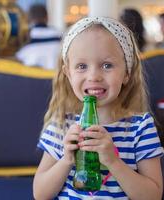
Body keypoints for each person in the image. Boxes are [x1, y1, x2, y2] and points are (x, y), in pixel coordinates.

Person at [33, 17, 163, 199]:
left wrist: (113, 161)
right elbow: (40, 194)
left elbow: (153, 196)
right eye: (81, 66)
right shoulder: (62, 125)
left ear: (127, 72)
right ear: (68, 74)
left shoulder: (140, 127)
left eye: (107, 65)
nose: (94, 76)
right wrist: (67, 159)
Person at [15, 4, 61, 70]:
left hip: (32, 77)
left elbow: (18, 58)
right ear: (47, 17)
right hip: (56, 76)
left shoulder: (26, 36)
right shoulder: (59, 34)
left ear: (29, 18)